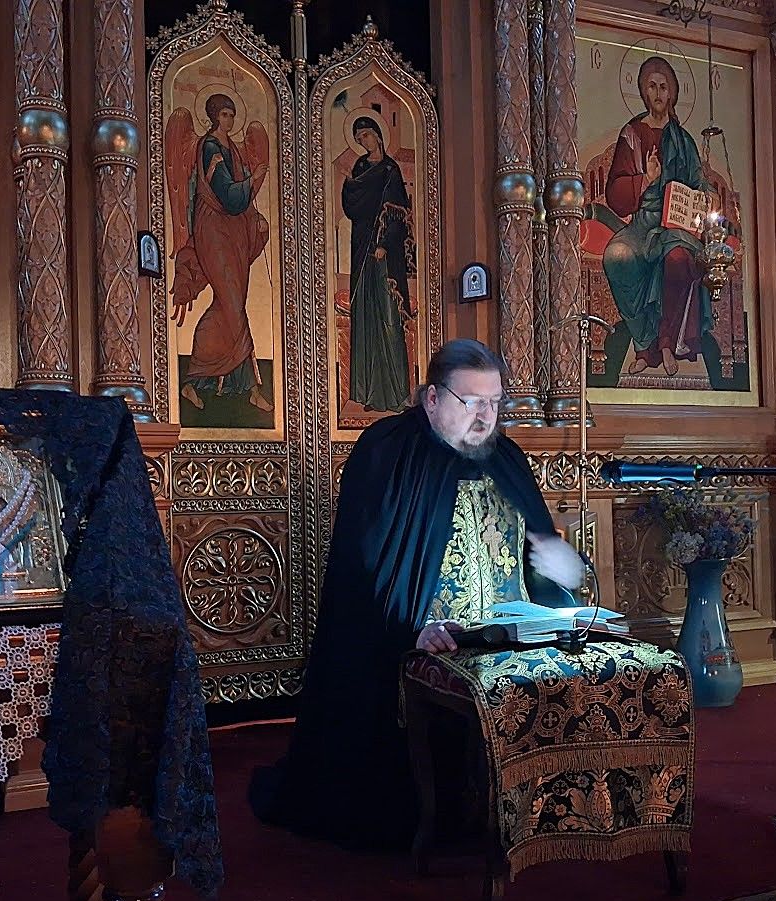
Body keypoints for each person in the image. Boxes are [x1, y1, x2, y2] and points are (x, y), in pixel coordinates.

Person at [249, 339, 585, 849]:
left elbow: (536, 554)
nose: (485, 416)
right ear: (432, 398)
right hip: (421, 639)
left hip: (503, 638)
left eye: (495, 402)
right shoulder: (388, 453)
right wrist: (415, 628)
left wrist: (557, 573)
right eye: (471, 401)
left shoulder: (507, 458)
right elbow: (366, 573)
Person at [602, 56, 713, 378]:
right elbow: (615, 193)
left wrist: (709, 195)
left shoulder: (684, 140)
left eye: (664, 87)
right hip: (643, 222)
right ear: (643, 91)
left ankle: (667, 342)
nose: (658, 93)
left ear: (672, 93)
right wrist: (646, 180)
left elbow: (699, 181)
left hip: (676, 223)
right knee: (617, 256)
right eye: (652, 86)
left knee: (678, 259)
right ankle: (644, 344)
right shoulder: (632, 134)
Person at [169, 93, 272, 414]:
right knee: (232, 303)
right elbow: (228, 195)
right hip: (213, 229)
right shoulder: (210, 147)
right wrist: (255, 178)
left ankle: (196, 381)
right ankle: (250, 387)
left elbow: (241, 201)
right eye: (224, 114)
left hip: (235, 231)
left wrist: (255, 216)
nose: (229, 120)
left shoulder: (234, 149)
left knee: (229, 303)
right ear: (214, 116)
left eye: (232, 114)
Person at [342, 115, 413, 412]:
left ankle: (398, 394)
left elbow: (400, 215)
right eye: (359, 138)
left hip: (385, 256)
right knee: (366, 319)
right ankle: (369, 394)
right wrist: (349, 185)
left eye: (366, 135)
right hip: (362, 249)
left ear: (378, 135)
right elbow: (351, 206)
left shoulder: (390, 170)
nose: (364, 141)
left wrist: (385, 243)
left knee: (388, 318)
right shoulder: (360, 169)